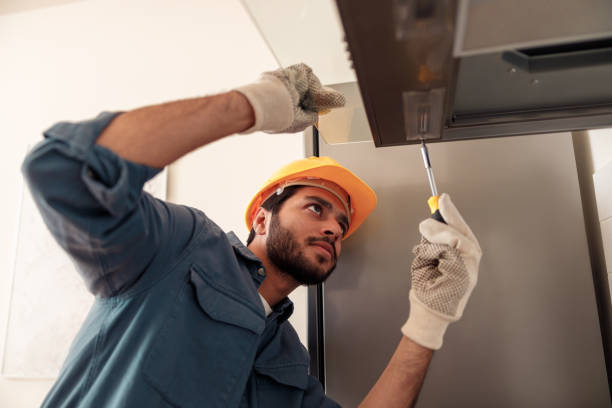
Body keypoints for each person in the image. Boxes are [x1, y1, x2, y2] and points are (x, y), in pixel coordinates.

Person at [23, 63, 482, 407]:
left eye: (342, 225)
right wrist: (254, 104)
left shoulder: (287, 359)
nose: (333, 228)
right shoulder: (184, 248)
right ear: (262, 218)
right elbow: (63, 169)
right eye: (316, 207)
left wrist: (429, 319)